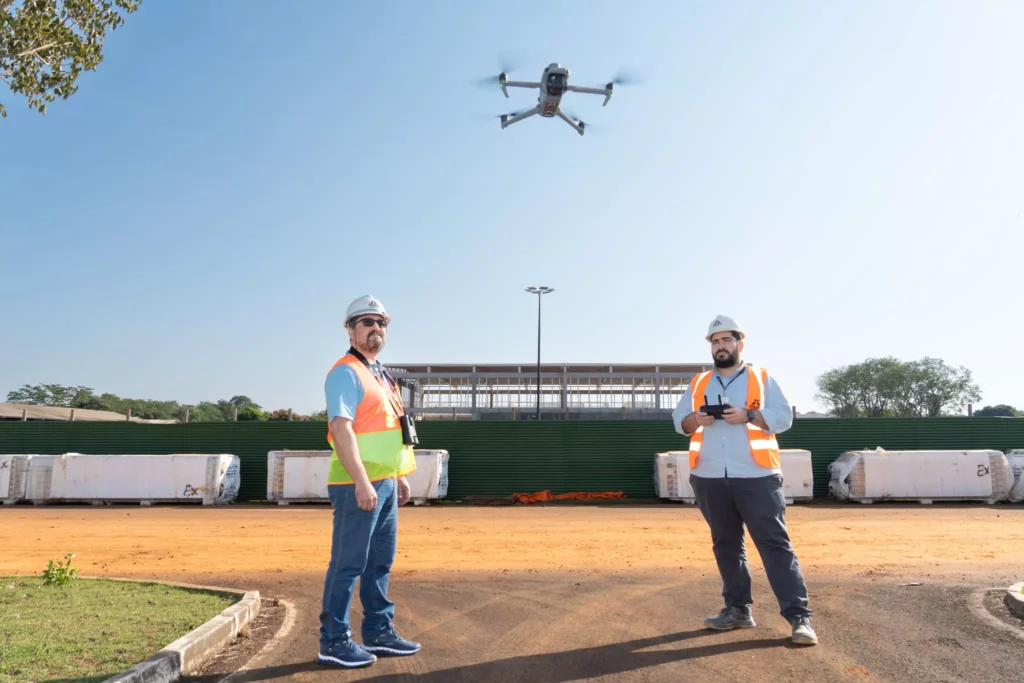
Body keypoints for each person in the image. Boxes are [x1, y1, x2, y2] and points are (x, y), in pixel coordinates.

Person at [672, 315, 818, 646]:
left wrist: (749, 415)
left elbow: (784, 417)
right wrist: (696, 418)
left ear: (740, 343)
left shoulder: (761, 378)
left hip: (757, 477)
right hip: (709, 477)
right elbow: (679, 422)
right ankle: (738, 610)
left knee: (774, 545)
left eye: (726, 340)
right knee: (726, 545)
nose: (720, 346)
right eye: (715, 341)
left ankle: (799, 619)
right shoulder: (698, 383)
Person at [318, 294, 421, 668]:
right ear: (350, 329)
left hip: (387, 483)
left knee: (380, 562)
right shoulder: (345, 372)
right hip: (357, 484)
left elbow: (390, 430)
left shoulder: (381, 373)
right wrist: (362, 481)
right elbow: (341, 428)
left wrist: (398, 476)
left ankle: (378, 630)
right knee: (348, 564)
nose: (375, 328)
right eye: (367, 322)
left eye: (381, 323)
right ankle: (333, 641)